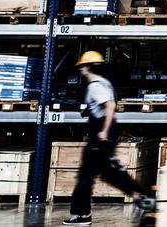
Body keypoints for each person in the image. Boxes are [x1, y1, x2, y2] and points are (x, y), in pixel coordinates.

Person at [64, 51, 153, 226]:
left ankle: (81, 214)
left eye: (82, 66)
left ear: (87, 67)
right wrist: (89, 111)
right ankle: (145, 200)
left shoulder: (95, 85)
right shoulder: (104, 83)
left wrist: (103, 132)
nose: (80, 70)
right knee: (111, 174)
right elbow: (106, 105)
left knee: (86, 176)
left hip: (101, 134)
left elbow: (110, 105)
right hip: (107, 133)